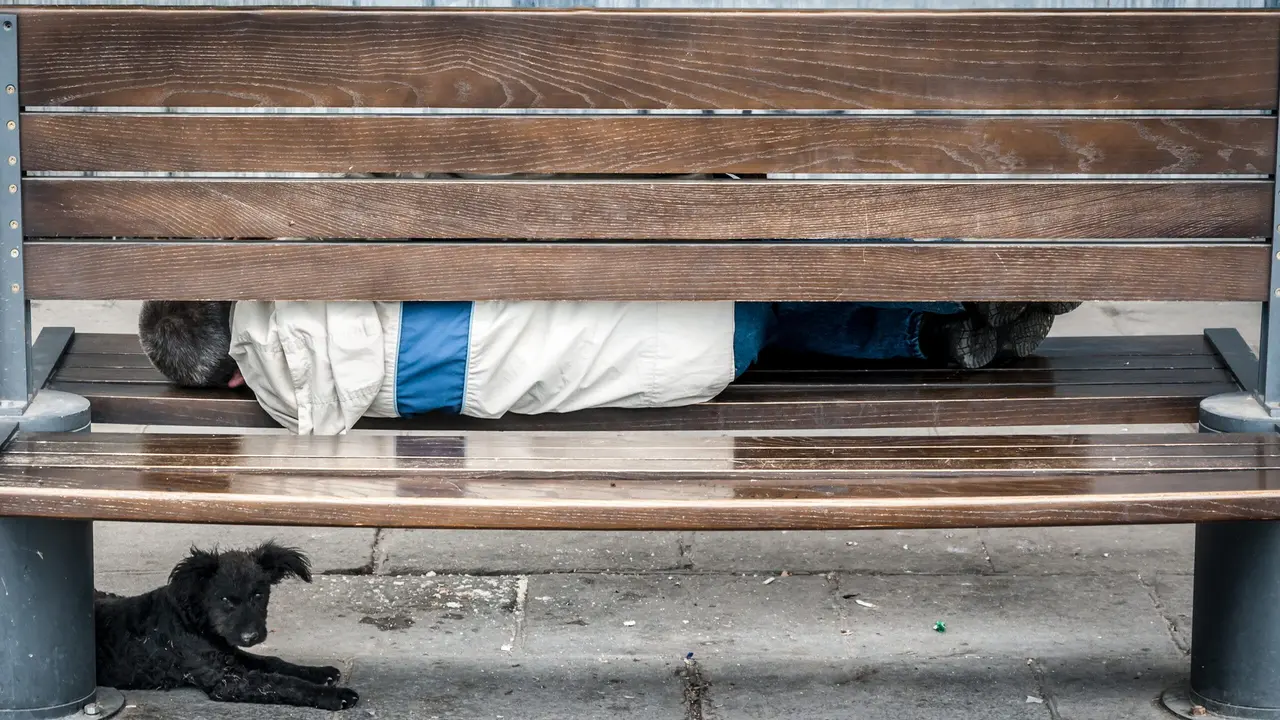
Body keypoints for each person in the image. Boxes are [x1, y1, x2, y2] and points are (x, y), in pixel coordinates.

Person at [139, 300, 1080, 435]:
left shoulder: (315, 398)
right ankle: (949, 311)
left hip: (696, 366)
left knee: (742, 323)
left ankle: (931, 336)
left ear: (232, 378)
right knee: (746, 274)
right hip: (701, 296)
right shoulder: (327, 274)